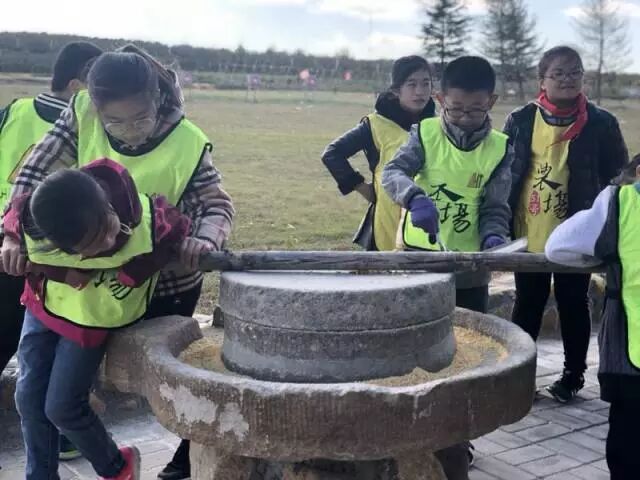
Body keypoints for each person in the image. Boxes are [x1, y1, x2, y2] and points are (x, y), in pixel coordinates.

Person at [1, 44, 234, 480]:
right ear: (96, 106)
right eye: (115, 123)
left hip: (135, 290)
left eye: (140, 119)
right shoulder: (83, 112)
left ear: (157, 100)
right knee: (31, 396)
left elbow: (215, 204)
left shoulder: (187, 141)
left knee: (70, 399)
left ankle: (150, 464)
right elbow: (32, 177)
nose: (130, 133)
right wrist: (13, 233)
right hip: (61, 284)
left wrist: (203, 240)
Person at [4, 159, 190, 480]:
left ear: (107, 205)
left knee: (62, 407)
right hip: (42, 305)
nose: (106, 245)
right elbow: (15, 217)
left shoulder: (148, 216)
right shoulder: (36, 220)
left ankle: (117, 466)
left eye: (106, 230)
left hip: (89, 319)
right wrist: (57, 269)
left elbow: (177, 229)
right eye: (87, 248)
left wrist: (138, 269)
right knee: (29, 399)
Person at [382, 56, 512, 480]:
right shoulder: (424, 133)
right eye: (455, 109)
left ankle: (457, 436)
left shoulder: (500, 147)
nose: (464, 117)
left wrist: (494, 237)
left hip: (470, 269)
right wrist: (414, 197)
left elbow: (496, 205)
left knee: (466, 353)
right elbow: (392, 172)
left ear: (491, 101)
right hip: (421, 262)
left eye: (475, 109)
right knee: (415, 349)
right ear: (440, 99)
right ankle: (410, 427)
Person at [505, 46, 628, 403]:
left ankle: (573, 375)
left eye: (575, 72)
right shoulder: (521, 119)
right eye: (558, 73)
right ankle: (518, 376)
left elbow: (617, 176)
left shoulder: (602, 122)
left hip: (577, 232)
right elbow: (505, 172)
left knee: (573, 301)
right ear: (542, 79)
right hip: (529, 228)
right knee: (528, 302)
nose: (567, 79)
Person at [0, 40, 103, 462]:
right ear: (78, 86)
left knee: (29, 358)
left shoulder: (13, 110)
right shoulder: (83, 127)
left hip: (10, 243)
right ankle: (64, 437)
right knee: (47, 353)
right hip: (40, 254)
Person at [545, 154, 640, 479]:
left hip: (631, 360)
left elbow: (557, 248)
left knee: (629, 452)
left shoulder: (619, 205)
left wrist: (607, 258)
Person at [322, 55, 436, 251]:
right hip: (388, 220)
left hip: (430, 216)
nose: (420, 91)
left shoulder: (438, 124)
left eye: (426, 83)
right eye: (412, 84)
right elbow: (333, 154)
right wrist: (363, 188)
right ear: (396, 90)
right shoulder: (375, 125)